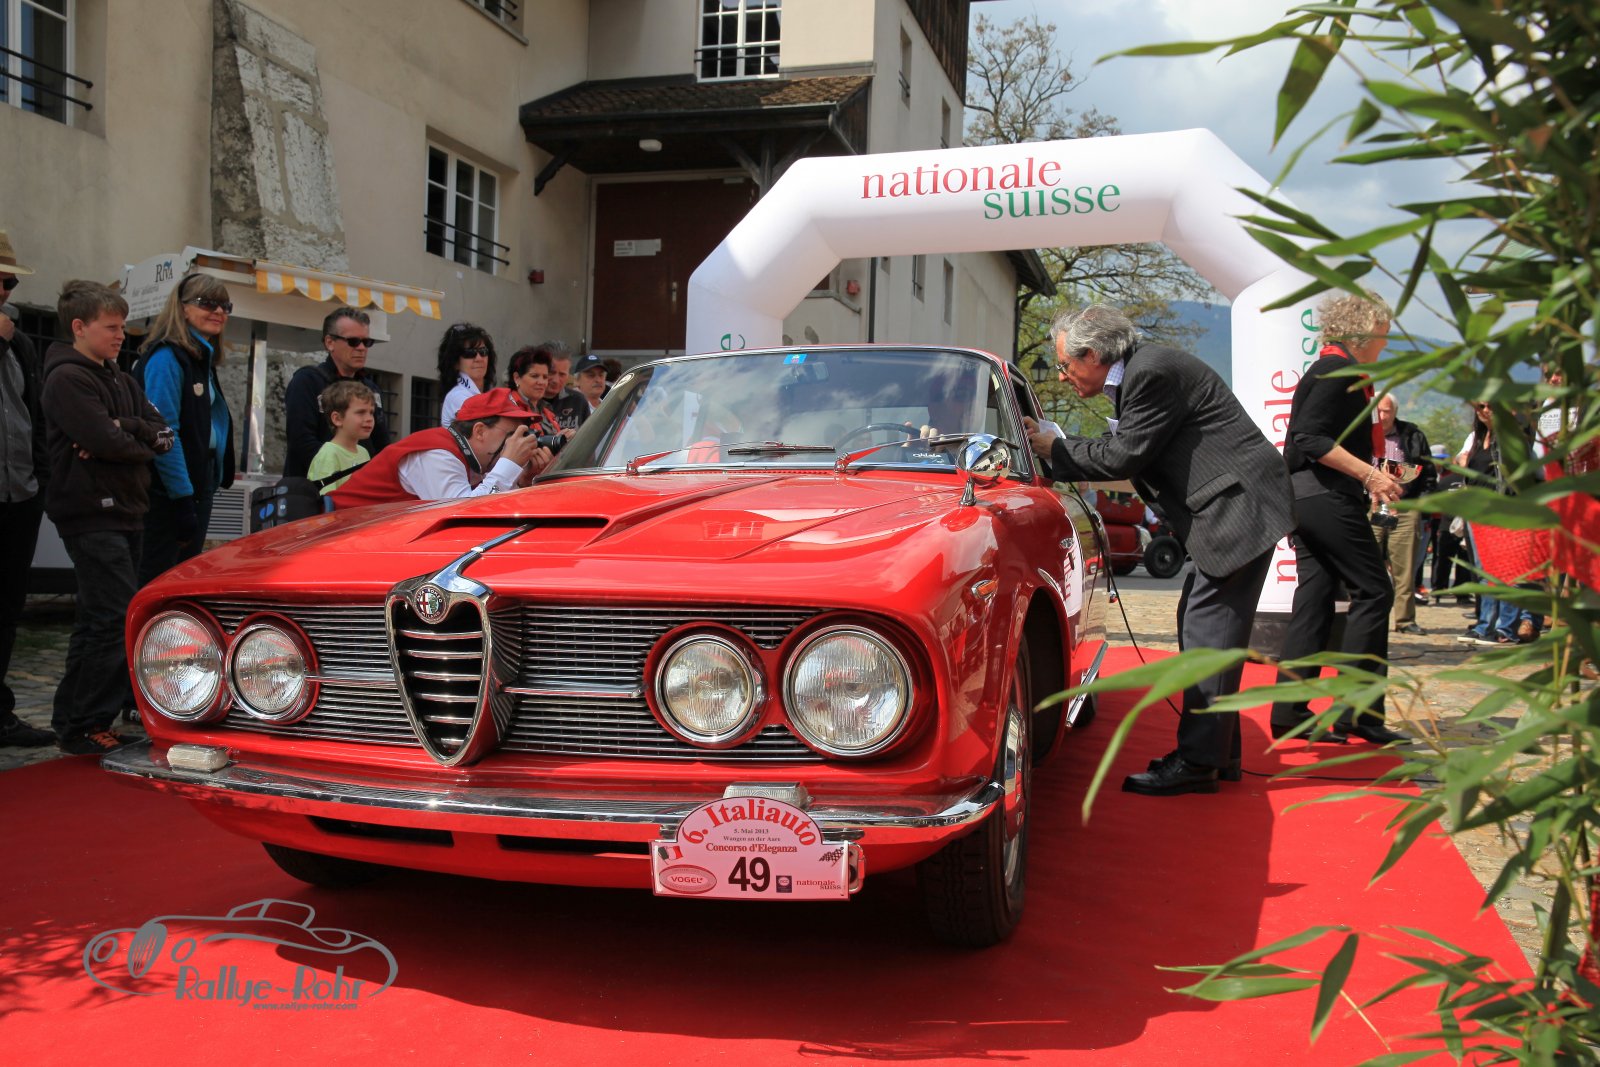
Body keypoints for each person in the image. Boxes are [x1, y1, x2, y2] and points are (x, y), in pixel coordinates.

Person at [1023, 304, 1295, 796]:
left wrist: (1052, 449)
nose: (1062, 375)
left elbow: (1124, 456)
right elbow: (1131, 447)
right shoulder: (1144, 370)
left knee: (1208, 633)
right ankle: (1218, 757)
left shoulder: (1150, 373)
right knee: (1205, 626)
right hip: (1235, 506)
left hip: (1237, 509)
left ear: (1093, 354)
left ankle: (1198, 763)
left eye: (1065, 364)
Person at [1268, 290, 1407, 746]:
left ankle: (1290, 712)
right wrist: (1370, 475)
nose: (1385, 342)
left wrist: (1371, 474)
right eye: (1383, 332)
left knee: (1316, 596)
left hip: (1307, 496)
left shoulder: (1334, 368)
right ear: (1363, 330)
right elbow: (1309, 438)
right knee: (1375, 590)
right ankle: (1356, 713)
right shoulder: (1336, 371)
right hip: (1325, 496)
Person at [42, 281, 172, 755]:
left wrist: (128, 429)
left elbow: (163, 435)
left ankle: (77, 721)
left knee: (99, 618)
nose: (121, 336)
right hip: (90, 511)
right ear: (80, 327)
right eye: (111, 327)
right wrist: (129, 439)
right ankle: (87, 722)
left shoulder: (120, 378)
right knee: (114, 616)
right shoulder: (67, 378)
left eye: (123, 327)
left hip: (126, 508)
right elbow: (106, 441)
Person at [134, 272, 236, 584]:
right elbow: (165, 432)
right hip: (167, 492)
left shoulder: (200, 356)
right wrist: (182, 498)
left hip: (196, 485)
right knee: (159, 580)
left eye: (225, 305)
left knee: (182, 578)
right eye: (207, 303)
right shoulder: (167, 358)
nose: (218, 311)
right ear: (182, 308)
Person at [0, 232, 54, 746]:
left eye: (10, 282)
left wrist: (40, 481)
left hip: (18, 494)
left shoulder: (19, 342)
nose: (5, 290)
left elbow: (32, 416)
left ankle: (0, 713)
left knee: (7, 610)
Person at [329, 387, 539, 508]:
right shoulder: (438, 453)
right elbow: (463, 513)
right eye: (511, 434)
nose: (517, 442)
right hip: (338, 534)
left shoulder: (471, 459)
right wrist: (509, 465)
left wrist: (524, 480)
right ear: (480, 431)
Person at [1453, 400, 1531, 645]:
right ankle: (1485, 626)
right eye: (1480, 406)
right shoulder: (1477, 438)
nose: (1485, 411)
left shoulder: (1511, 438)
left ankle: (1505, 629)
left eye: (1491, 406)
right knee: (1484, 573)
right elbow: (1462, 463)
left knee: (1506, 573)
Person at [284, 307, 391, 477]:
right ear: (330, 343)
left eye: (367, 342)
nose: (362, 348)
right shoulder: (307, 381)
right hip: (314, 485)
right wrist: (344, 471)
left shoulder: (371, 389)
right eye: (353, 341)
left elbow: (381, 444)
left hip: (360, 484)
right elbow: (301, 441)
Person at [1372, 394, 1435, 634]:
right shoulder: (1363, 434)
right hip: (1372, 506)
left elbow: (1428, 472)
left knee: (1404, 568)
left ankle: (1405, 620)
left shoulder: (1413, 435)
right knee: (1368, 563)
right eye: (1378, 410)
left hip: (1405, 508)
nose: (1382, 415)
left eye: (1386, 411)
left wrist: (1420, 505)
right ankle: (1370, 618)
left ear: (1395, 411)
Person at [306, 379, 376, 494]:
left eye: (371, 412)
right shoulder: (329, 455)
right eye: (361, 412)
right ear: (337, 419)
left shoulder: (363, 452)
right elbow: (326, 499)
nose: (369, 419)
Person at [437, 322, 496, 426]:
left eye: (483, 351)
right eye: (469, 353)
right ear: (455, 363)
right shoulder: (457, 396)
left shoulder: (485, 394)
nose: (479, 358)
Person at [560, 352, 608, 426]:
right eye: (591, 375)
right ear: (577, 380)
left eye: (601, 375)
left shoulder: (611, 407)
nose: (598, 380)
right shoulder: (568, 409)